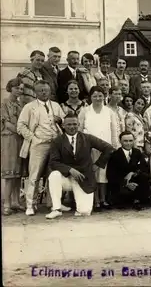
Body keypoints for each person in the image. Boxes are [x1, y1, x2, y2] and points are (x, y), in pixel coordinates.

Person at [45, 113, 114, 219]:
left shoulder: (87, 138)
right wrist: (70, 170)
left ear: (79, 124)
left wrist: (97, 165)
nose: (72, 127)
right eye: (69, 125)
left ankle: (79, 206)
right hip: (66, 178)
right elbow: (53, 162)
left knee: (84, 212)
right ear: (63, 126)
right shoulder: (57, 141)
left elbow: (108, 148)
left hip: (83, 178)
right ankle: (56, 208)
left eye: (74, 124)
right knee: (54, 175)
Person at [17, 80, 65, 215]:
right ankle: (30, 205)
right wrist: (33, 138)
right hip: (38, 144)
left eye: (46, 90)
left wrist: (60, 120)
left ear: (50, 91)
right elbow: (20, 126)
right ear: (35, 92)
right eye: (40, 90)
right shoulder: (29, 107)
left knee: (53, 174)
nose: (44, 93)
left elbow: (65, 122)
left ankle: (53, 204)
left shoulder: (55, 106)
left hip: (55, 144)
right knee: (34, 175)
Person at [78, 86, 120, 211]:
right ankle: (94, 201)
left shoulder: (109, 112)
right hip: (89, 148)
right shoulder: (85, 111)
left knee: (104, 174)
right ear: (90, 97)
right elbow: (79, 130)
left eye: (100, 96)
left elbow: (114, 131)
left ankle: (103, 199)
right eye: (95, 96)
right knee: (92, 173)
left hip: (105, 148)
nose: (98, 98)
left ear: (104, 96)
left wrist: (114, 146)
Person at [106, 131, 149, 210]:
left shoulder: (137, 152)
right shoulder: (115, 155)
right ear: (120, 141)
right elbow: (111, 175)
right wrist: (126, 183)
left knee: (144, 176)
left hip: (135, 184)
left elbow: (144, 167)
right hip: (121, 185)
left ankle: (138, 200)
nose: (128, 143)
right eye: (125, 141)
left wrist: (133, 173)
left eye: (130, 141)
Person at [1, 78, 24, 215]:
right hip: (8, 138)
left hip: (19, 139)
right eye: (17, 88)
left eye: (21, 89)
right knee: (9, 172)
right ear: (11, 88)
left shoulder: (20, 105)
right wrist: (19, 130)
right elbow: (6, 122)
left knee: (18, 171)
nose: (19, 91)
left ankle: (15, 201)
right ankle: (7, 203)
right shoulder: (4, 104)